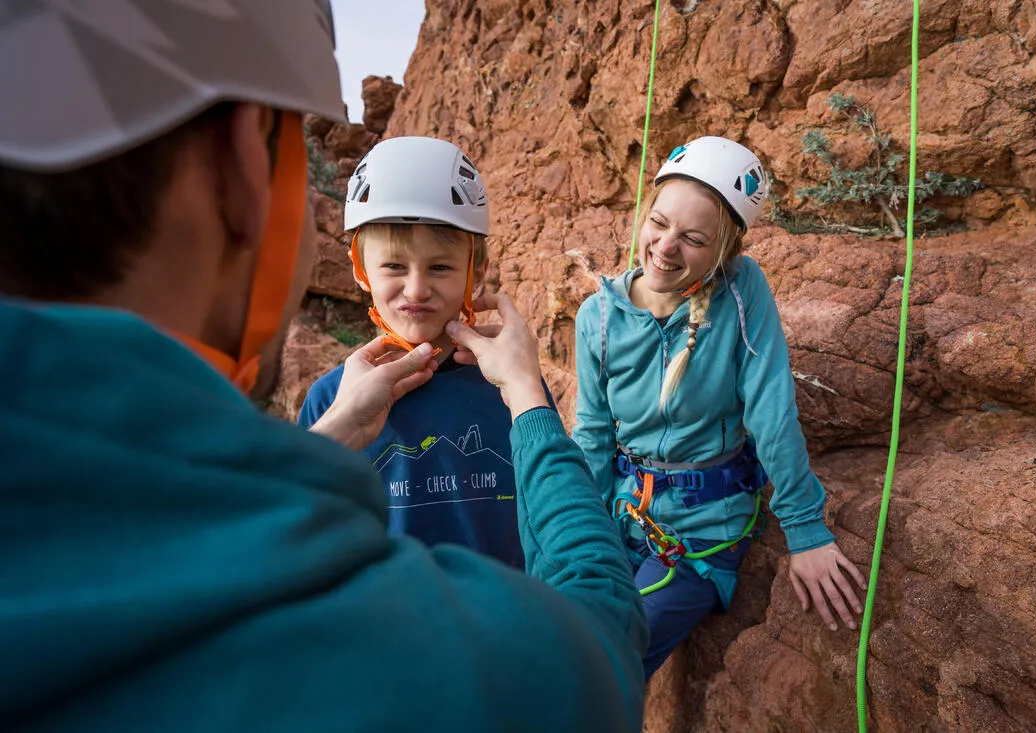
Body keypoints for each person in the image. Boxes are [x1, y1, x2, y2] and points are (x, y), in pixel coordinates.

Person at [0, 3, 647, 731]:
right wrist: (528, 392)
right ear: (248, 160)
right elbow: (597, 649)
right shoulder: (417, 653)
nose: (416, 286)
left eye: (440, 265)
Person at [572, 136, 866, 680]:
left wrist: (806, 531)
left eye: (692, 239)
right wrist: (578, 543)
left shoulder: (741, 291)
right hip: (620, 521)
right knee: (560, 645)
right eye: (657, 224)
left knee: (598, 667)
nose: (664, 247)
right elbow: (592, 436)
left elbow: (771, 411)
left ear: (723, 251)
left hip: (703, 533)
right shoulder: (597, 315)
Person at [299, 138, 536, 569]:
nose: (416, 289)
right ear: (360, 269)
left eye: (440, 267)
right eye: (393, 266)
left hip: (500, 627)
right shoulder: (331, 402)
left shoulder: (513, 390)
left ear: (475, 270)